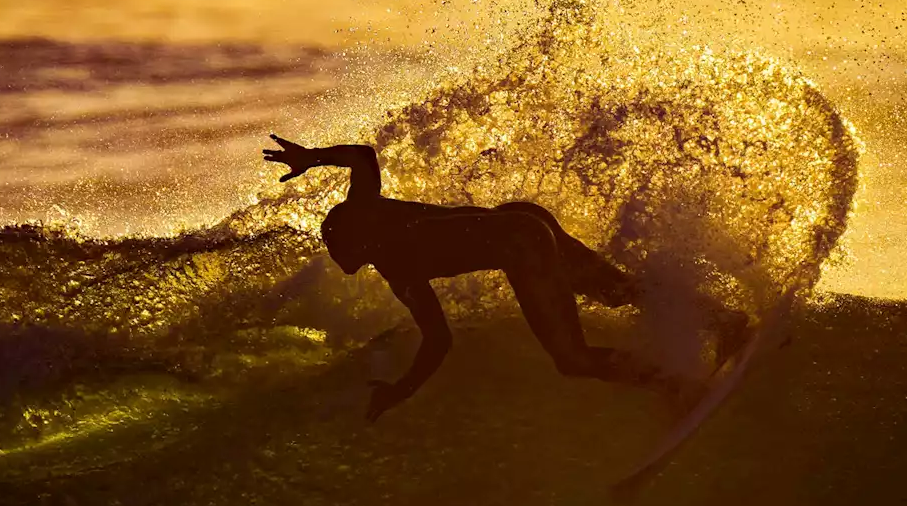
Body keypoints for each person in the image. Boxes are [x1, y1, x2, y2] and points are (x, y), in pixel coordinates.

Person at [263, 134, 750, 422]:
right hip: (522, 219)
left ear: (354, 235)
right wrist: (313, 159)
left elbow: (438, 340)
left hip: (520, 241)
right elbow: (363, 157)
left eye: (338, 246)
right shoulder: (372, 209)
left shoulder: (394, 259)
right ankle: (723, 320)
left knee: (572, 359)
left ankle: (678, 387)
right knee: (617, 293)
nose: (340, 258)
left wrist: (400, 390)